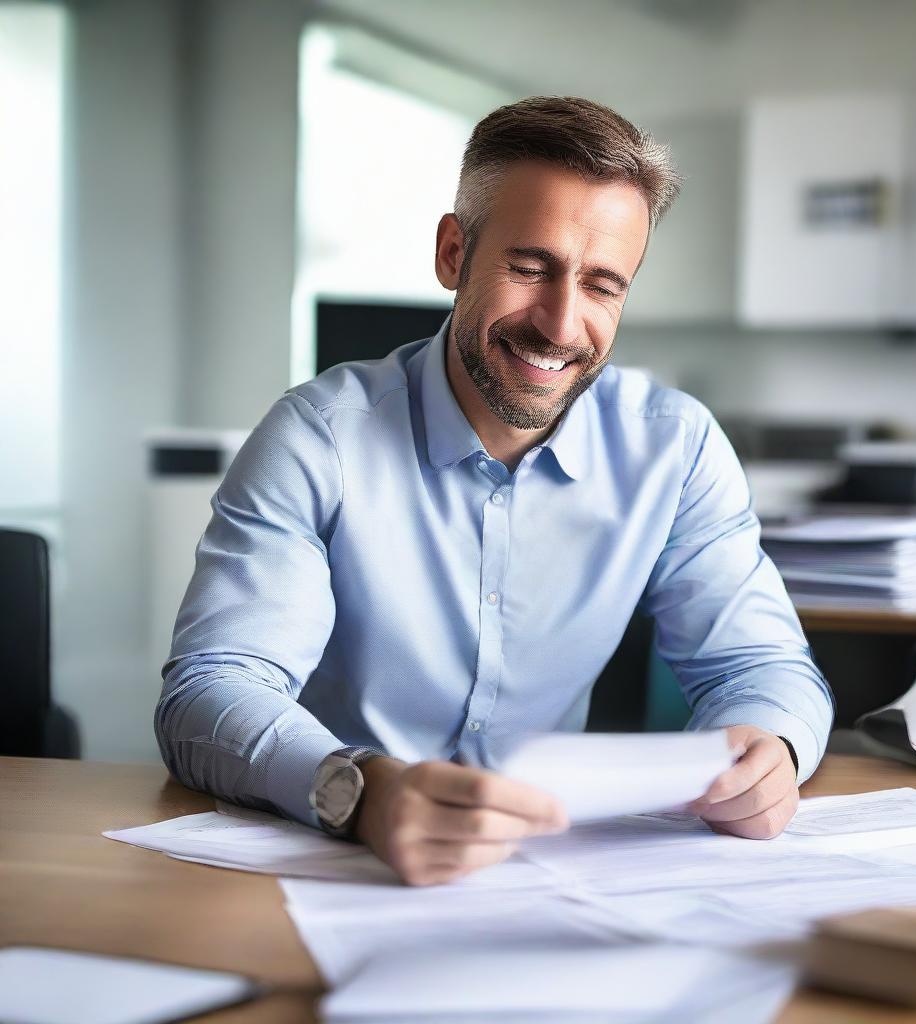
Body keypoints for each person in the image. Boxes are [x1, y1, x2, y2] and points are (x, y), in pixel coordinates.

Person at [156, 96, 834, 886]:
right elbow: (210, 692)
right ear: (453, 253)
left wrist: (769, 748)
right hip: (334, 867)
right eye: (530, 267)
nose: (560, 322)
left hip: (554, 874)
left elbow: (761, 666)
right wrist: (362, 794)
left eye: (602, 285)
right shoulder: (319, 438)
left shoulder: (674, 448)